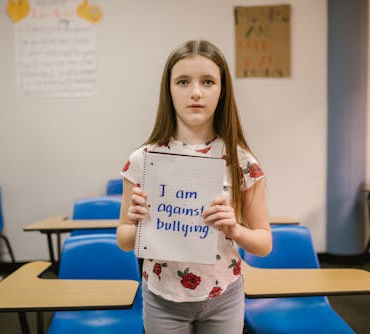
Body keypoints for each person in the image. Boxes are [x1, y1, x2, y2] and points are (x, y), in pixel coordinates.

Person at [116, 39, 272, 334]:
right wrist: (137, 224)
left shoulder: (242, 162)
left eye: (208, 81)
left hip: (224, 295)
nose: (196, 92)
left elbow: (264, 243)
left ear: (222, 90)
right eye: (183, 81)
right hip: (163, 296)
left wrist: (235, 230)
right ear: (169, 90)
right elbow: (123, 239)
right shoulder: (144, 160)